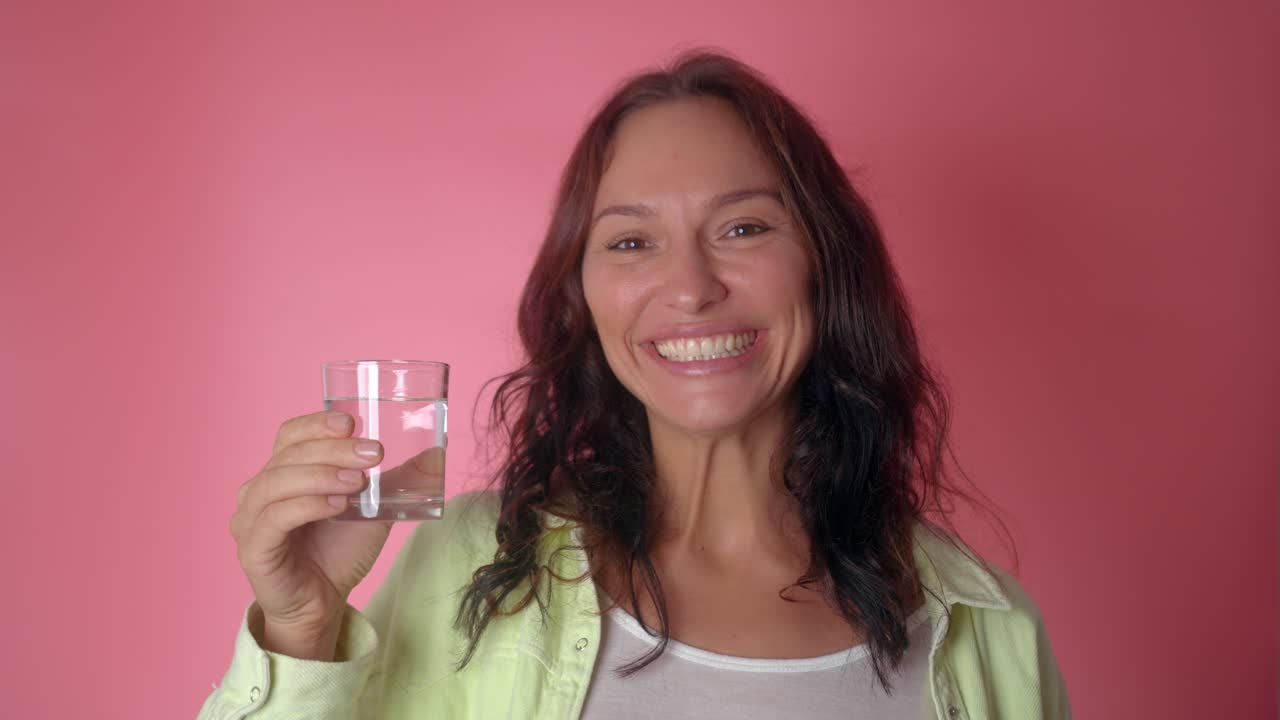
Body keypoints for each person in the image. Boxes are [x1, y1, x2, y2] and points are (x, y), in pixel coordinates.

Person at [199, 49, 1072, 719]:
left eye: (742, 227)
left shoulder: (989, 629)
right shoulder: (467, 569)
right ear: (582, 295)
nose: (691, 288)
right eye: (629, 241)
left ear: (824, 264)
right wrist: (302, 630)